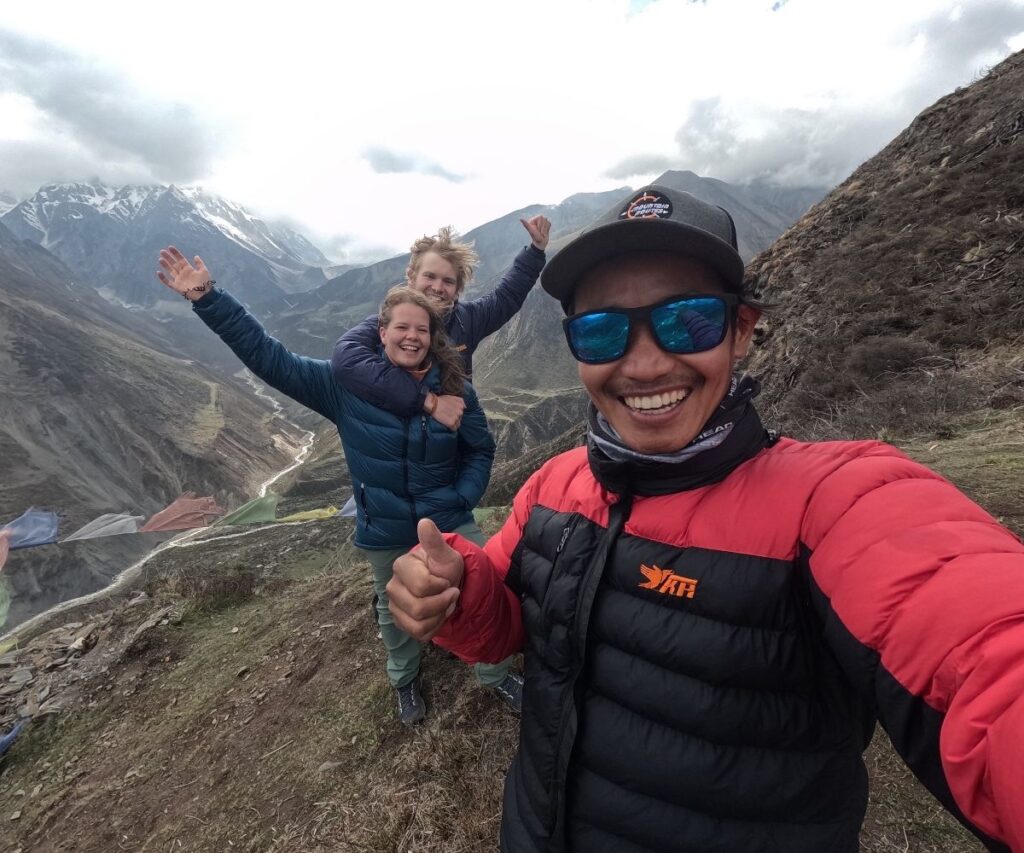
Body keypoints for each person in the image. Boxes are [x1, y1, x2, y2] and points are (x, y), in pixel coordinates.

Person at [385, 185, 1024, 852]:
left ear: (741, 331)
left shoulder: (831, 500)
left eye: (687, 321)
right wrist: (459, 592)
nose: (645, 363)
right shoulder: (555, 483)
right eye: (602, 330)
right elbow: (514, 626)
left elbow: (983, 651)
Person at [154, 248, 519, 724]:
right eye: (402, 328)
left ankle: (495, 674)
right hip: (384, 528)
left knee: (483, 588)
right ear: (382, 333)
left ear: (433, 338)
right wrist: (207, 297)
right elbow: (269, 357)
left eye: (421, 330)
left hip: (448, 516)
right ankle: (405, 679)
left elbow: (480, 450)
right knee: (393, 611)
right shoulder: (342, 388)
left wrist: (463, 496)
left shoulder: (456, 392)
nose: (412, 337)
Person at [331, 216, 551, 431]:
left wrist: (535, 250)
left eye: (448, 281)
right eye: (430, 276)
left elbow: (506, 296)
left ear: (458, 289)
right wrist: (427, 401)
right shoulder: (388, 323)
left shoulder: (468, 320)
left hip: (449, 448)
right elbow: (345, 358)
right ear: (411, 276)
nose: (437, 287)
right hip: (395, 445)